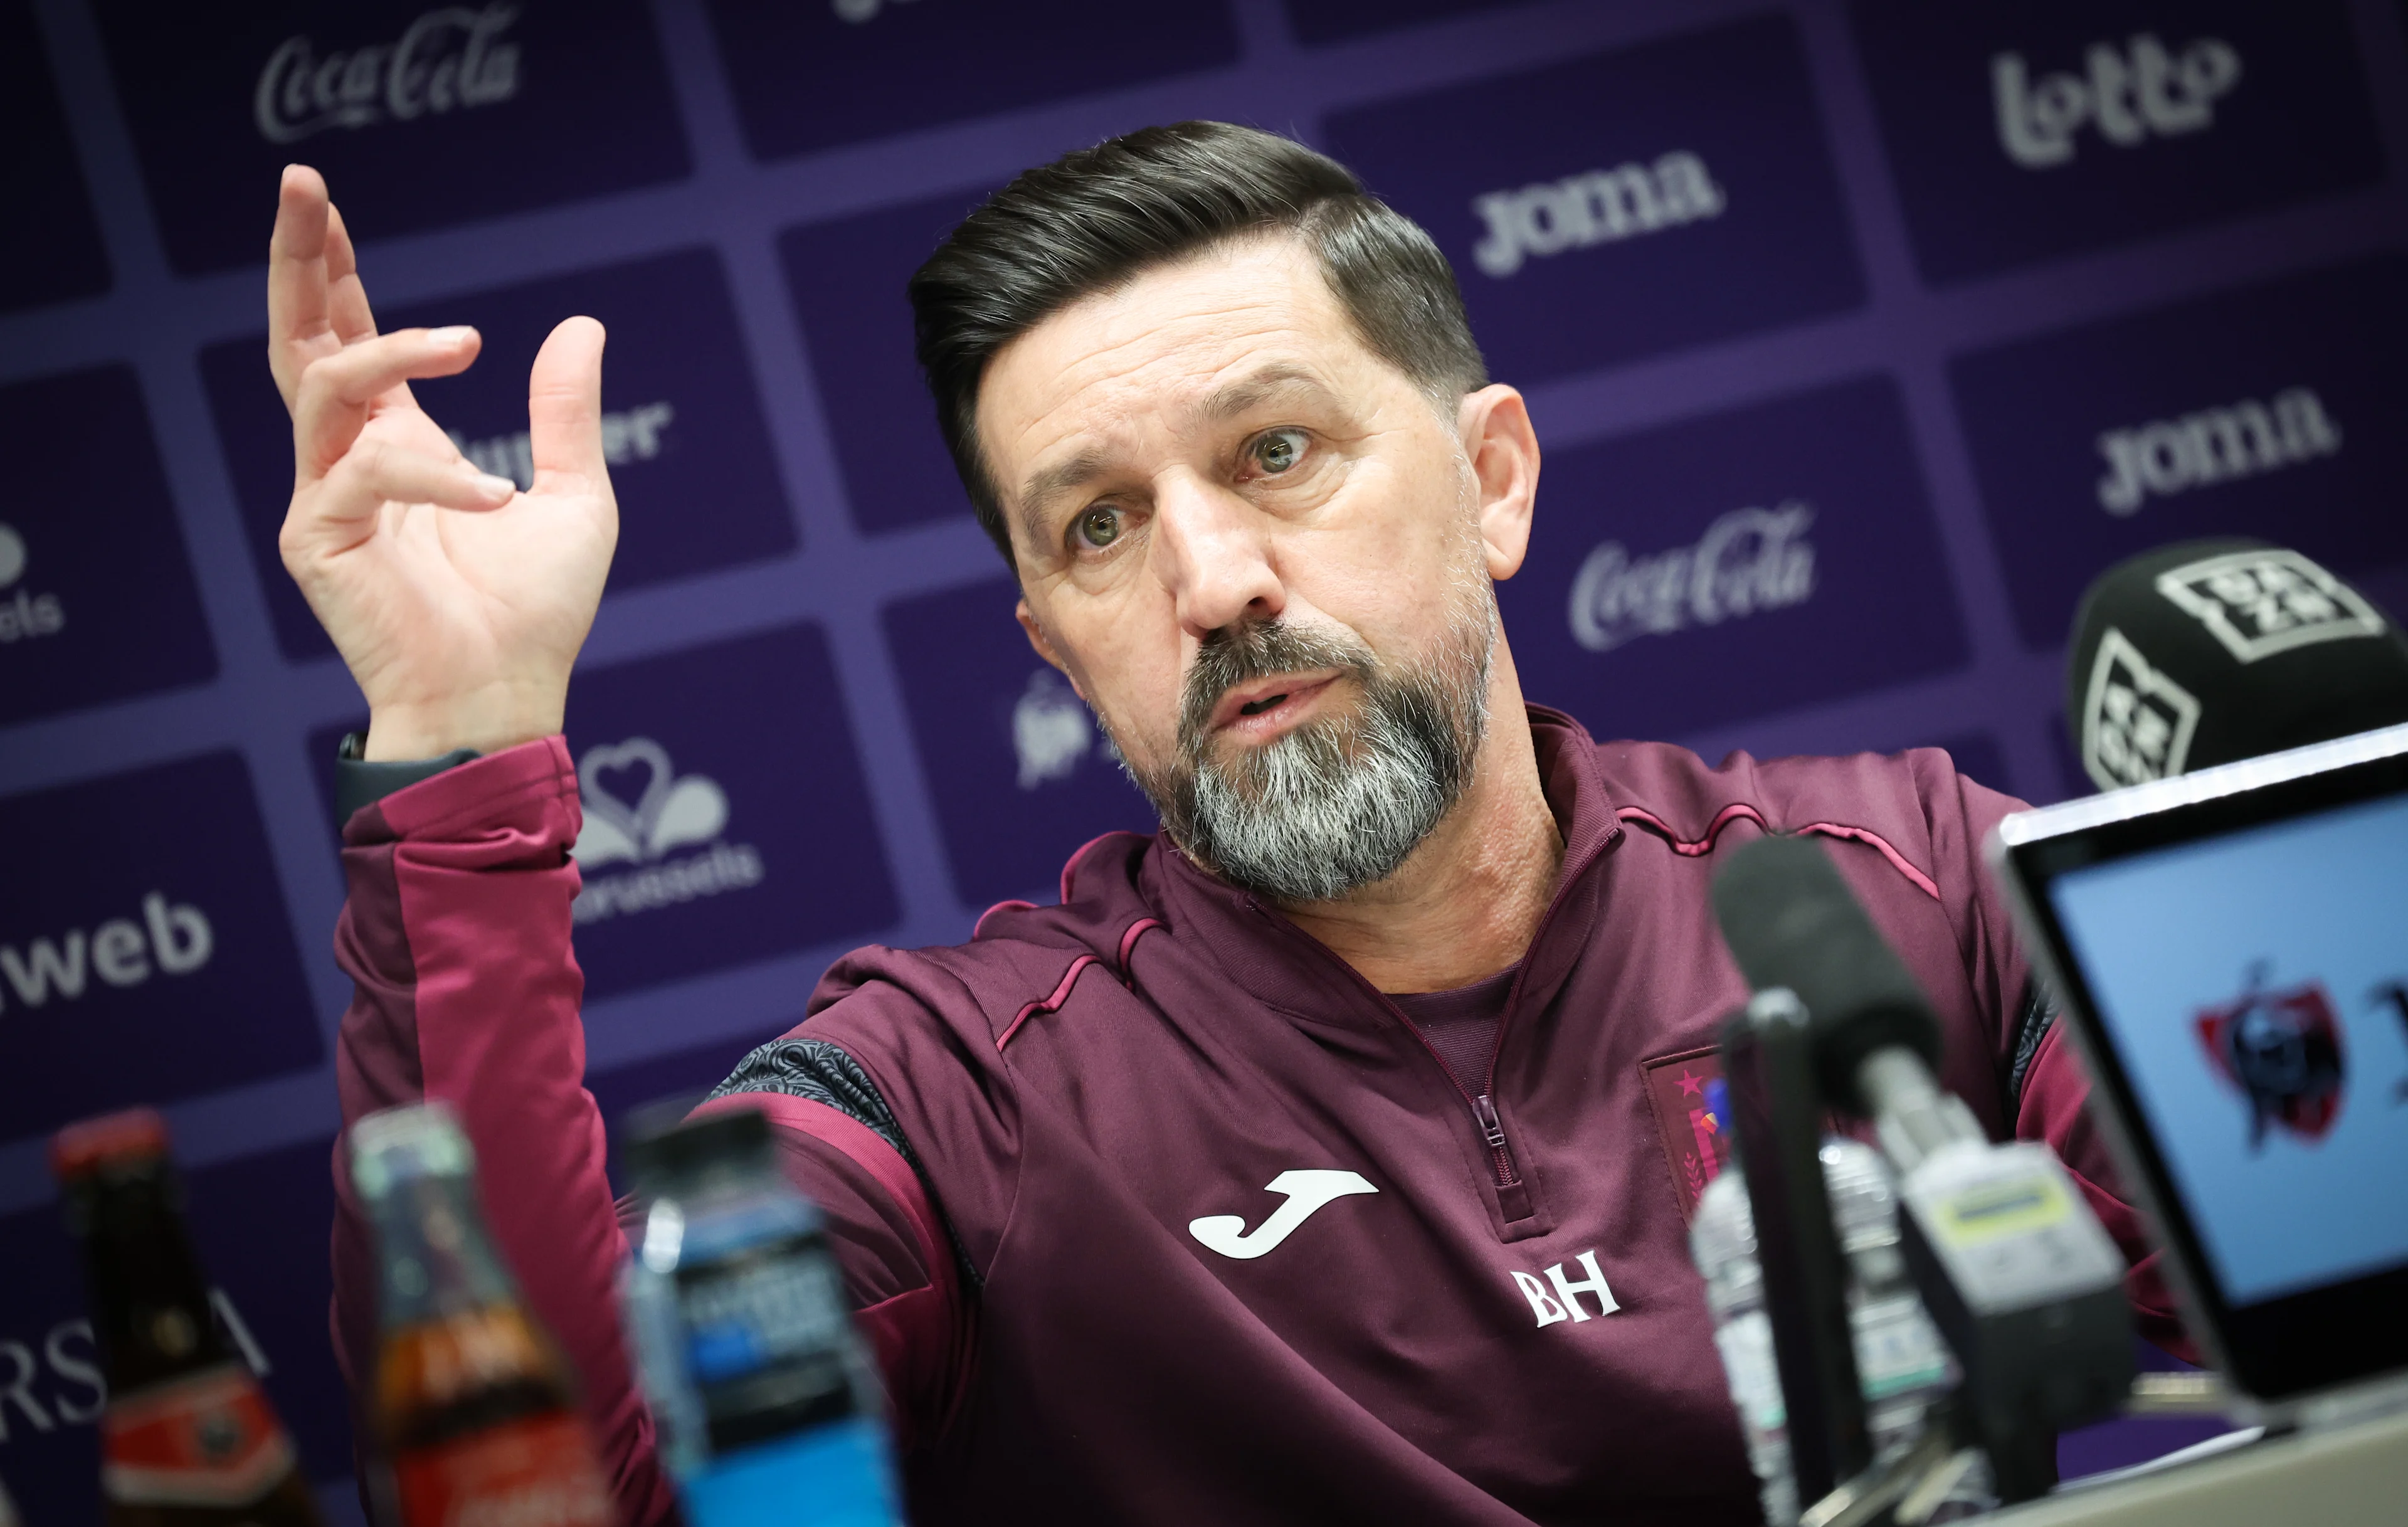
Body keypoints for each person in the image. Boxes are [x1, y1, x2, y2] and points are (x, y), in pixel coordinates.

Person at [271, 123, 2184, 1526]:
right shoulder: (955, 1102)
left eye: (1277, 453)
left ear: (1493, 478)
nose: (1209, 580)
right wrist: (459, 745)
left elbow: (2309, 1227)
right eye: (1098, 525)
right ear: (1051, 637)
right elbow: (557, 1490)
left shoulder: (1907, 891)